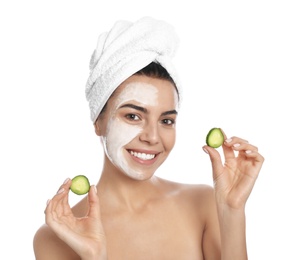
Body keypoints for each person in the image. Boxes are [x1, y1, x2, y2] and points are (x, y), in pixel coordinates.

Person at [33, 16, 264, 260]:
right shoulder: (56, 237)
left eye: (166, 121)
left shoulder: (203, 204)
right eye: (133, 116)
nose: (153, 137)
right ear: (98, 121)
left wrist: (232, 211)